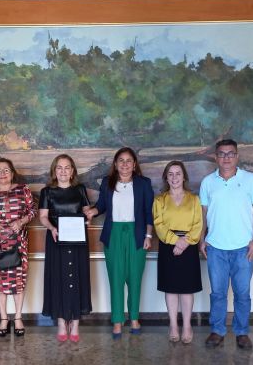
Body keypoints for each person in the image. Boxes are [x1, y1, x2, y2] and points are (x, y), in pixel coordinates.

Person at [199, 139, 253, 350]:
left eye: (230, 153)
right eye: (222, 154)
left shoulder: (251, 180)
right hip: (216, 248)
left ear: (237, 156)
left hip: (243, 249)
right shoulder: (208, 182)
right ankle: (217, 331)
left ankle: (242, 332)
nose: (226, 157)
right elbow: (202, 214)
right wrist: (202, 240)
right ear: (215, 157)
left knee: (242, 294)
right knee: (217, 293)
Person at [85, 147, 154, 339]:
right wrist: (92, 211)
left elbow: (149, 212)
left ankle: (134, 318)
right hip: (113, 234)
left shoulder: (143, 183)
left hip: (137, 234)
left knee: (134, 278)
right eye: (121, 161)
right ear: (115, 164)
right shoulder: (108, 182)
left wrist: (148, 237)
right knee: (116, 278)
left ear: (134, 165)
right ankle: (117, 321)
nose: (124, 164)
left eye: (128, 161)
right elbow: (101, 206)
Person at [0, 158, 37, 337]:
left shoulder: (22, 189)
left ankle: (18, 317)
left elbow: (33, 210)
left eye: (6, 170)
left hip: (19, 242)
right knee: (0, 281)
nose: (3, 174)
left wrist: (21, 221)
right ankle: (4, 318)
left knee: (18, 281)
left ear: (12, 173)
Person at [39, 154, 92, 343]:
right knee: (59, 279)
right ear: (54, 171)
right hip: (56, 239)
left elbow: (86, 210)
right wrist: (52, 228)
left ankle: (75, 324)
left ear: (72, 171)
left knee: (77, 278)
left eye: (67, 167)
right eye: (59, 168)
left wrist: (89, 215)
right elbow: (43, 216)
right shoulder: (47, 192)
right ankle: (62, 323)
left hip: (78, 240)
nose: (63, 171)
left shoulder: (80, 189)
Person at [152, 161, 203, 344]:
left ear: (184, 177)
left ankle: (187, 325)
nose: (174, 177)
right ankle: (173, 325)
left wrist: (185, 242)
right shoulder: (159, 200)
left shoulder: (194, 199)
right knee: (171, 288)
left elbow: (198, 224)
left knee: (187, 289)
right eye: (170, 174)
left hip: (189, 248)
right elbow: (159, 224)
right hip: (168, 247)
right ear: (166, 177)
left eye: (178, 173)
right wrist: (176, 242)